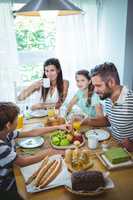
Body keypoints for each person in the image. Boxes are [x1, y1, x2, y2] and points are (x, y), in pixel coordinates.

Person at [0, 102, 71, 197]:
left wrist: (58, 127)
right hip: (6, 185)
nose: (18, 119)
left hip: (12, 169)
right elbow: (23, 162)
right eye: (17, 118)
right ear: (8, 125)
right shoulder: (2, 147)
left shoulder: (6, 132)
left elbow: (32, 132)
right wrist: (50, 152)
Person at [81, 62, 133, 151]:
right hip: (113, 145)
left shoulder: (130, 100)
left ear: (111, 82)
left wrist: (131, 146)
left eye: (98, 85)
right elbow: (109, 120)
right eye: (94, 86)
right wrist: (86, 121)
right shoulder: (108, 97)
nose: (95, 90)